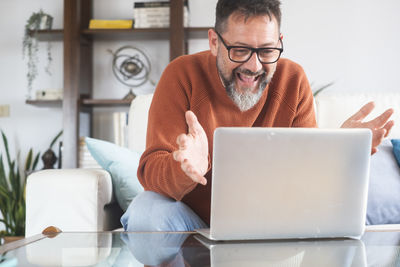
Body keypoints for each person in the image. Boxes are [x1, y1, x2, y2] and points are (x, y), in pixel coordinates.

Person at [121, 0, 394, 232]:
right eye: (239, 50)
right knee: (146, 212)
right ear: (214, 42)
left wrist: (337, 152)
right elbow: (151, 175)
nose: (254, 66)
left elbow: (305, 183)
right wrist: (184, 169)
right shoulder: (181, 74)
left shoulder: (292, 79)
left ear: (279, 43)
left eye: (266, 51)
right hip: (192, 225)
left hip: (272, 222)